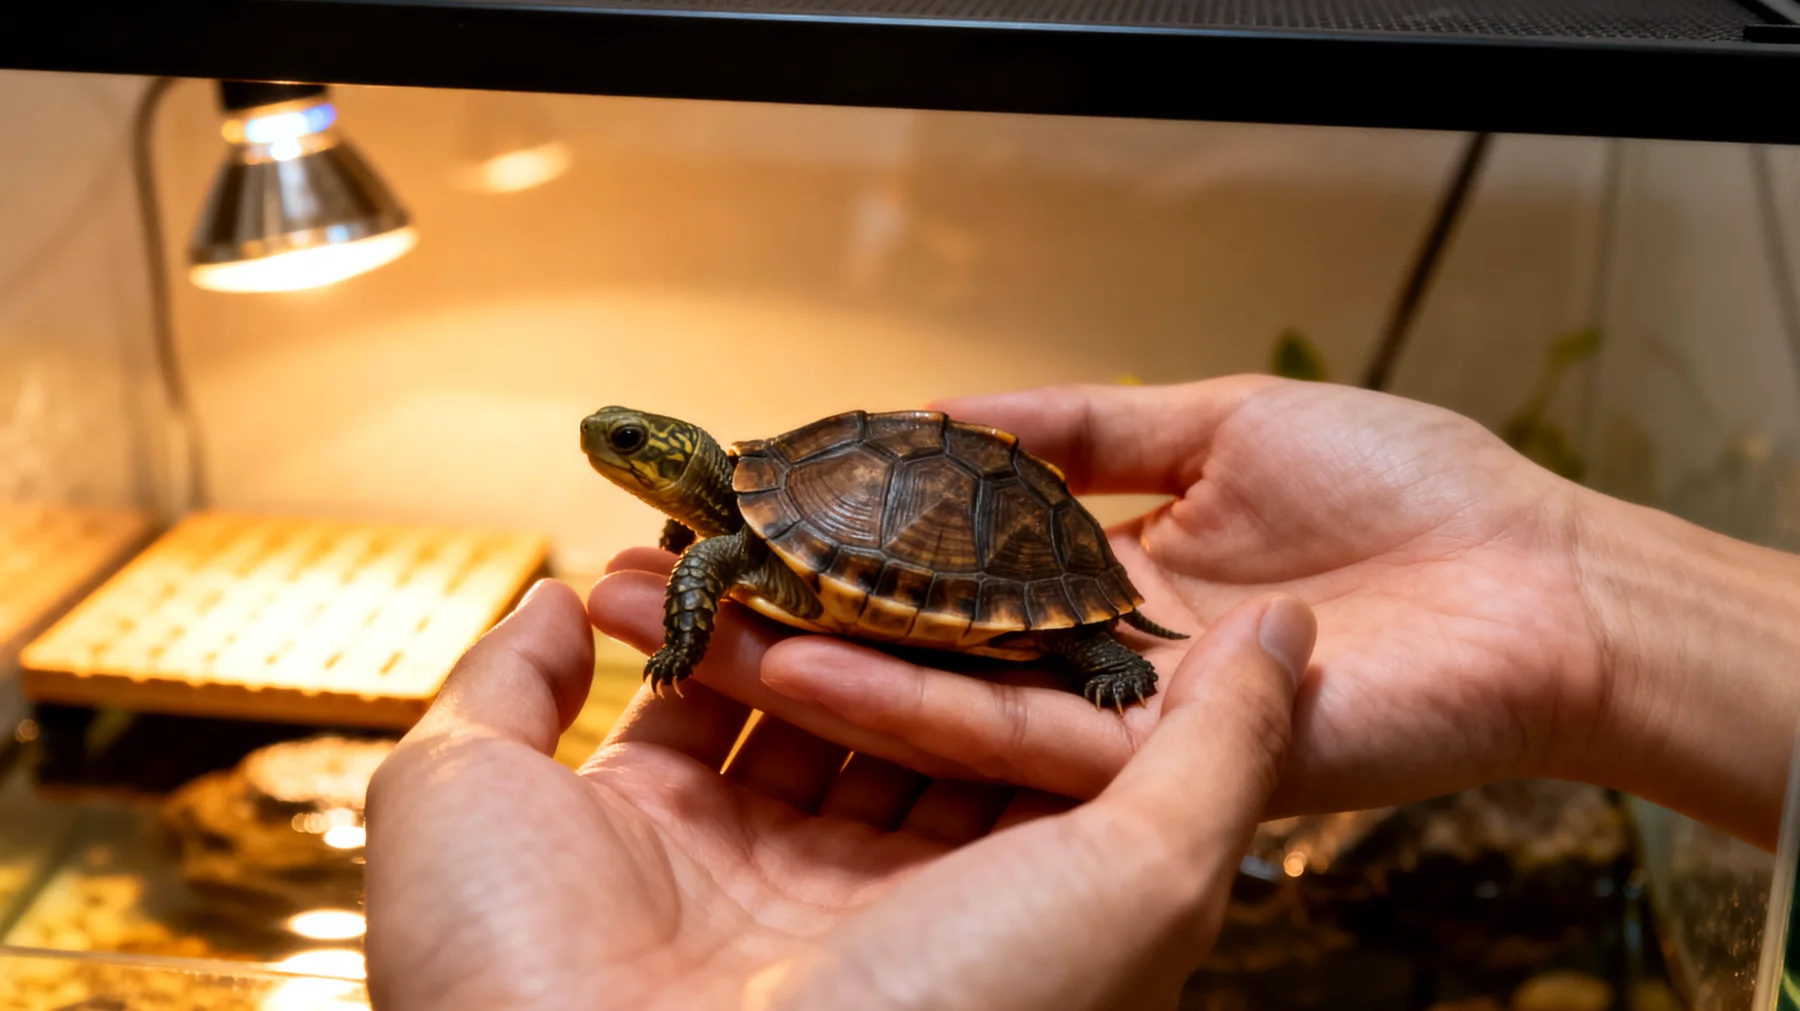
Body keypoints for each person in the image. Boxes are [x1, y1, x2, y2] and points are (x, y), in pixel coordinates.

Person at [366, 376, 1800, 1009]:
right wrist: (1583, 603)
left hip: (1005, 574)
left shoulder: (740, 531)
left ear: (670, 460)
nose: (611, 451)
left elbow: (715, 566)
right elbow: (716, 545)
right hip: (879, 534)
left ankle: (1099, 646)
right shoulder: (736, 515)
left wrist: (687, 626)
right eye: (619, 445)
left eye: (630, 444)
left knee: (1071, 657)